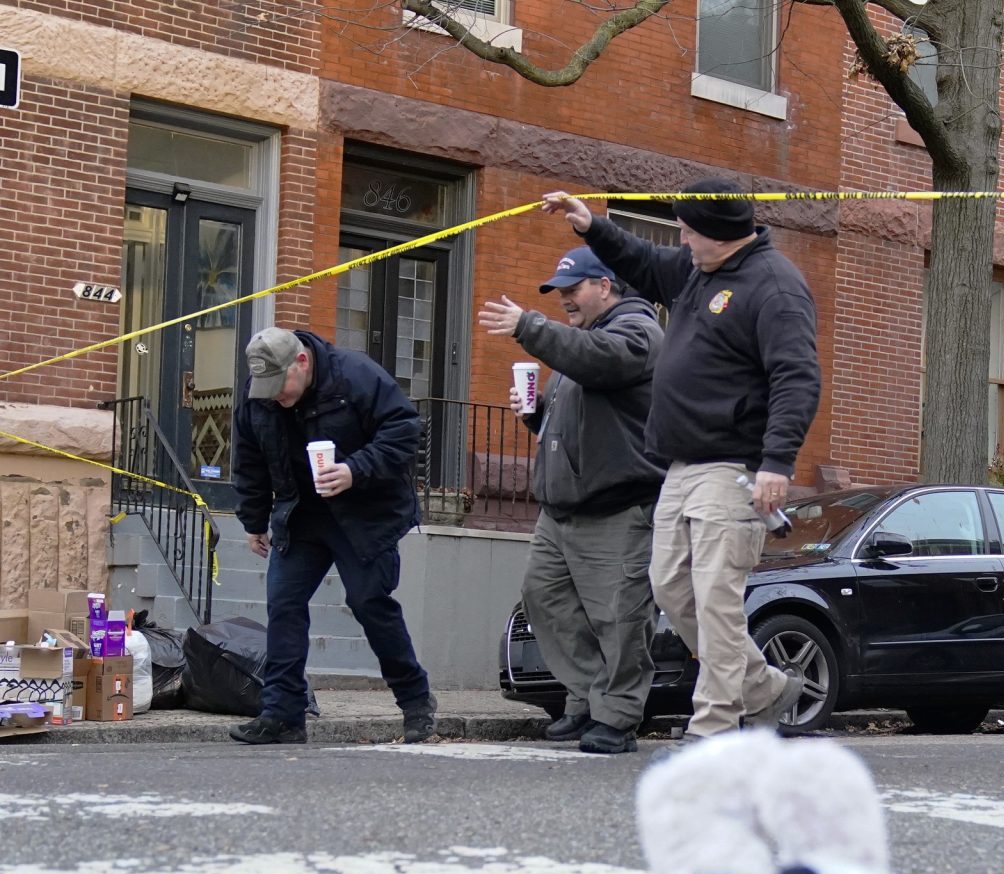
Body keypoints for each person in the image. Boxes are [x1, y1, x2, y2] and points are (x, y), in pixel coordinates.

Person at [543, 179, 821, 742]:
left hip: (734, 466)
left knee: (716, 596)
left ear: (719, 233)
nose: (682, 239)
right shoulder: (699, 270)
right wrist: (590, 224)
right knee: (672, 588)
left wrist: (777, 463)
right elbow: (643, 261)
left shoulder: (775, 287)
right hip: (680, 464)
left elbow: (797, 376)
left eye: (690, 230)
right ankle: (765, 689)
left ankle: (714, 726)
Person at [477, 249, 665, 755]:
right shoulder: (585, 342)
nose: (563, 299)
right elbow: (591, 420)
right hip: (560, 513)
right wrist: (537, 414)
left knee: (621, 618)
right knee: (545, 600)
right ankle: (586, 699)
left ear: (605, 286)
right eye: (558, 291)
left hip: (618, 510)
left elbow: (599, 362)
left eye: (572, 288)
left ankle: (618, 716)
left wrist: (527, 326)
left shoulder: (637, 332)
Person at [229, 327, 435, 745]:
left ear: (301, 362)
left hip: (365, 513)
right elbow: (248, 459)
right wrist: (253, 520)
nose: (274, 397)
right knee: (284, 606)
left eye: (279, 386)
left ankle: (415, 702)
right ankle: (283, 715)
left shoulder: (355, 375)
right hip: (301, 514)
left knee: (368, 603)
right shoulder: (259, 395)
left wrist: (354, 469)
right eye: (265, 388)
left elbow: (404, 430)